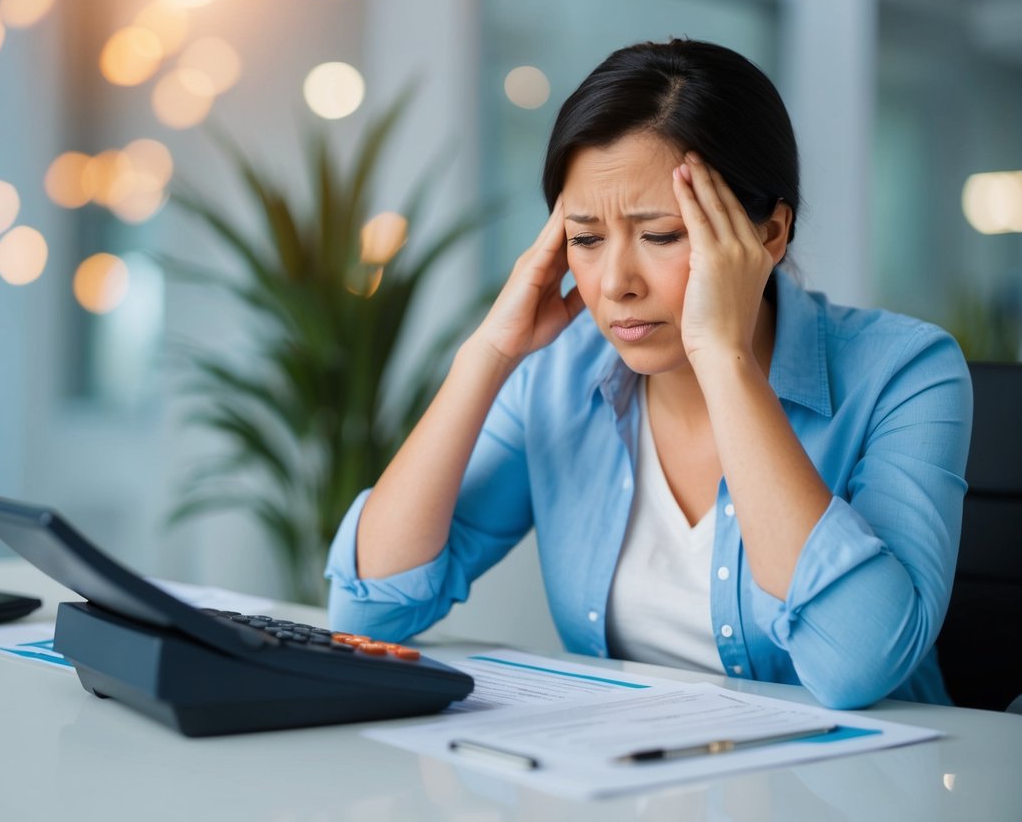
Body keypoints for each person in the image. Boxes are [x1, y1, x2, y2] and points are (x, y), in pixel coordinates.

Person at [323, 39, 973, 709]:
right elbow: (366, 610)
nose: (614, 285)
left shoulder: (906, 371)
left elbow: (857, 665)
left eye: (661, 235)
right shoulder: (557, 376)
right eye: (585, 238)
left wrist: (723, 359)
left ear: (769, 236)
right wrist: (487, 354)